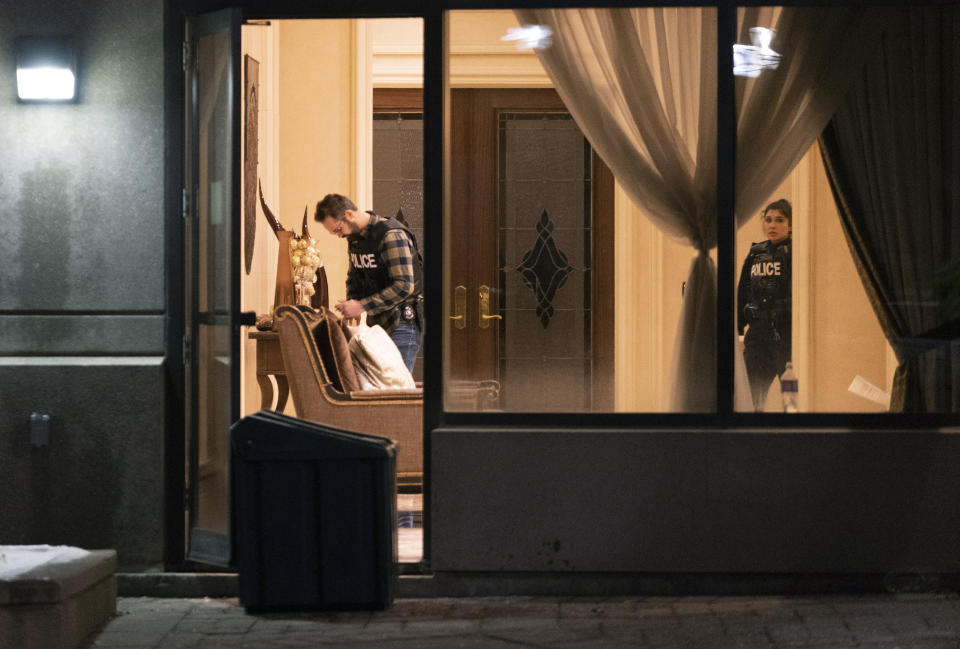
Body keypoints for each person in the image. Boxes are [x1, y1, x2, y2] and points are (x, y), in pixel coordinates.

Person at [315, 193, 423, 374]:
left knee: (395, 392)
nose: (339, 236)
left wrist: (361, 305)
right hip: (378, 325)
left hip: (402, 323)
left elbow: (404, 286)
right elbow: (355, 276)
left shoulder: (391, 235)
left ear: (348, 214)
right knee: (380, 389)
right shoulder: (356, 239)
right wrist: (351, 303)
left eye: (338, 229)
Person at [737, 198, 792, 412]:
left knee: (790, 394)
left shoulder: (796, 252)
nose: (772, 225)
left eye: (779, 220)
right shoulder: (756, 253)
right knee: (751, 396)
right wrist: (740, 333)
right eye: (768, 220)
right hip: (757, 337)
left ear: (790, 224)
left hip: (785, 336)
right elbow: (743, 293)